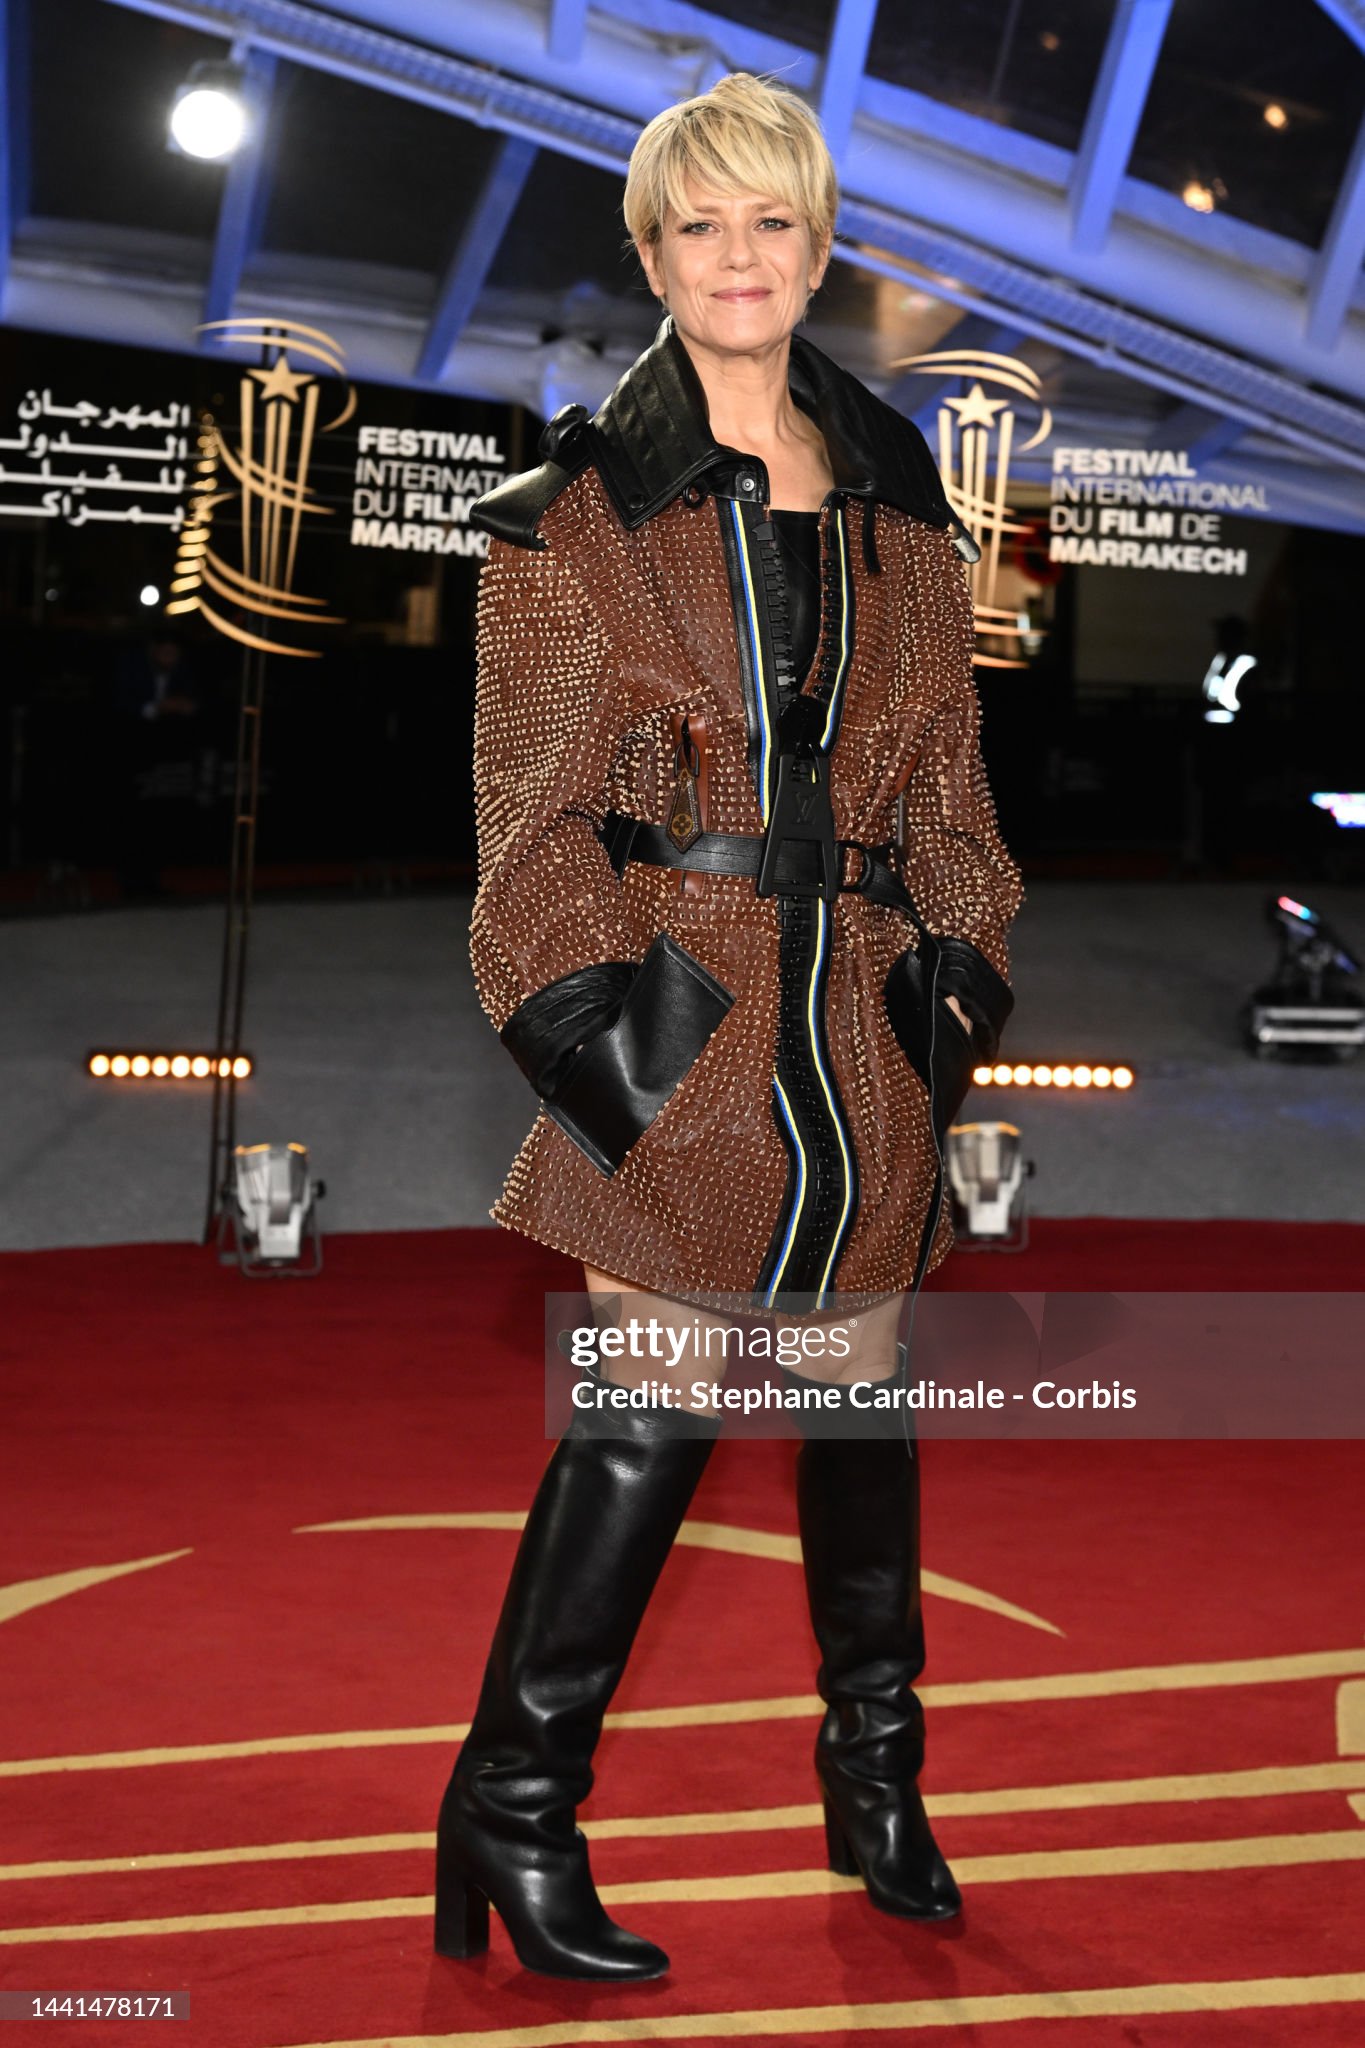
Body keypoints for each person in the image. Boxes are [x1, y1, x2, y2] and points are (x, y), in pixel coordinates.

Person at [434, 71, 1025, 1983]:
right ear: (653, 254)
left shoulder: (900, 502)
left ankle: (877, 1782)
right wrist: (617, 1061)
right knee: (650, 1413)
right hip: (680, 1022)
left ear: (820, 241)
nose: (741, 256)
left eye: (772, 219)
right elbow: (529, 837)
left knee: (864, 1409)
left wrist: (946, 1005)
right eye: (701, 225)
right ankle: (514, 1820)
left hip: (856, 1029)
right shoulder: (575, 506)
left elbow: (951, 802)